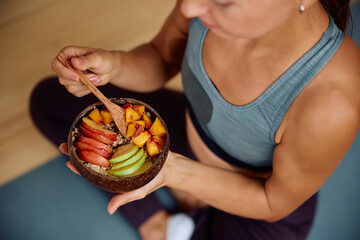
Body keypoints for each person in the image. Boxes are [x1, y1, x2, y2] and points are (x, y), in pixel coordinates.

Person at [30, 0, 360, 239]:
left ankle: (173, 218)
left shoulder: (334, 100)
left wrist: (170, 171)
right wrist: (113, 65)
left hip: (260, 202)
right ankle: (164, 222)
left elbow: (273, 201)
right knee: (48, 99)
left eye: (224, 1)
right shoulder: (202, 7)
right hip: (190, 137)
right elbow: (160, 58)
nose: (188, 9)